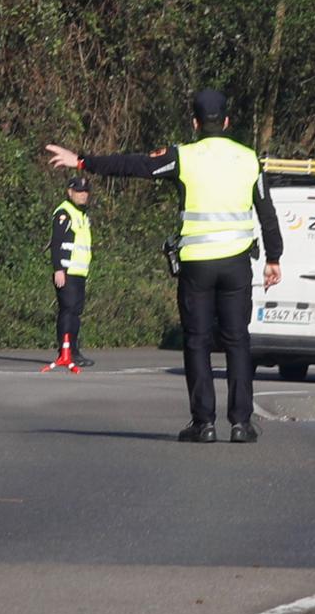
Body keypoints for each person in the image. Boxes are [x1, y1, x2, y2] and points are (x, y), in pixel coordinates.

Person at [45, 88, 281, 443]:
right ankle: (241, 423)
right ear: (228, 122)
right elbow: (267, 212)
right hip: (236, 265)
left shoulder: (183, 157)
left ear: (195, 123)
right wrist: (274, 257)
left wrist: (82, 161)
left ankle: (203, 424)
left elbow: (136, 165)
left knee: (197, 341)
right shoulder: (249, 159)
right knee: (238, 341)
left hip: (197, 265)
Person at [49, 175, 95, 368]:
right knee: (67, 311)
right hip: (67, 272)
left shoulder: (83, 215)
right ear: (70, 192)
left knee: (75, 312)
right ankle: (65, 351)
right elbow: (56, 243)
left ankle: (73, 350)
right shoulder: (64, 213)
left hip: (79, 273)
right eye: (79, 191)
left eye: (85, 192)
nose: (83, 195)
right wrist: (58, 269)